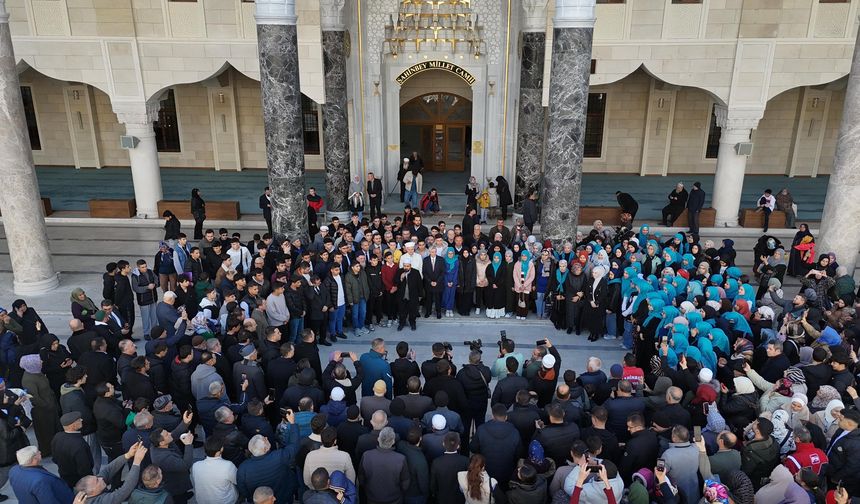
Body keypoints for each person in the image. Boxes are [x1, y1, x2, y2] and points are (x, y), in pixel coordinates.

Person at [358, 427, 410, 503]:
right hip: (394, 499)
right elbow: (405, 483)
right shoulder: (401, 459)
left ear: (378, 439)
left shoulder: (367, 455)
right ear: (393, 441)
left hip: (372, 498)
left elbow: (361, 478)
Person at [9, 446, 74, 503]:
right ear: (34, 458)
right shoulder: (40, 481)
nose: (40, 452)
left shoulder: (14, 470)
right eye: (38, 452)